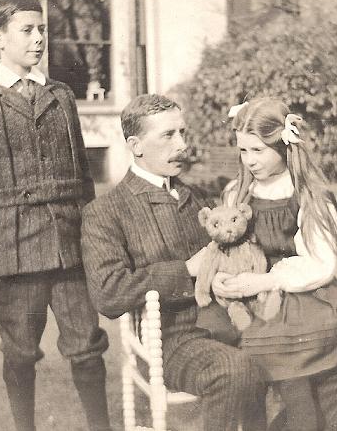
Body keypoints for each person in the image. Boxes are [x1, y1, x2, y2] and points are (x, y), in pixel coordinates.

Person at [0, 0, 111, 431]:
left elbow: (83, 180)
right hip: (14, 249)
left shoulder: (61, 97)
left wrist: (95, 239)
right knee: (19, 350)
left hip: (68, 247)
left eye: (42, 29)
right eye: (27, 30)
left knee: (87, 346)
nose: (39, 38)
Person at [80, 94, 268, 431]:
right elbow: (108, 293)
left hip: (229, 319)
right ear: (136, 146)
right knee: (238, 369)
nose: (182, 144)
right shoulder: (106, 212)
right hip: (171, 339)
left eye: (182, 132)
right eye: (168, 135)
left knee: (308, 348)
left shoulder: (194, 196)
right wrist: (185, 272)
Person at [208, 96, 337, 431]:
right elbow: (223, 245)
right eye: (243, 151)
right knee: (249, 367)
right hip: (246, 295)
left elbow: (320, 262)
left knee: (290, 371)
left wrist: (267, 281)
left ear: (283, 146)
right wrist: (219, 279)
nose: (249, 161)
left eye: (258, 150)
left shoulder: (309, 195)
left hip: (295, 291)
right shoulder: (237, 192)